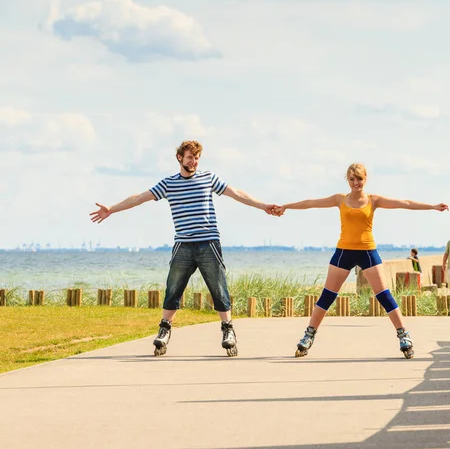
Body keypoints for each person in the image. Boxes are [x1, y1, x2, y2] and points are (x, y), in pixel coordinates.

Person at [90, 140, 276, 357]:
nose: (194, 162)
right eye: (190, 158)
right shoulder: (169, 184)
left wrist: (263, 206)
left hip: (208, 242)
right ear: (180, 158)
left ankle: (228, 331)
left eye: (196, 158)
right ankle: (165, 330)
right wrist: (111, 209)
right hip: (183, 244)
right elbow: (140, 198)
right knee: (173, 287)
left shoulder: (208, 178)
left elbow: (236, 193)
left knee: (218, 286)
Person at [273, 163, 448, 359]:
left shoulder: (374, 200)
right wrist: (286, 206)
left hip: (367, 252)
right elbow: (310, 202)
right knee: (327, 296)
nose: (356, 183)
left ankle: (403, 336)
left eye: (359, 179)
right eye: (352, 179)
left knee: (384, 295)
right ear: (347, 180)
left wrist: (432, 206)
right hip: (343, 252)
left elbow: (404, 203)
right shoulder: (340, 199)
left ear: (365, 179)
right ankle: (308, 335)